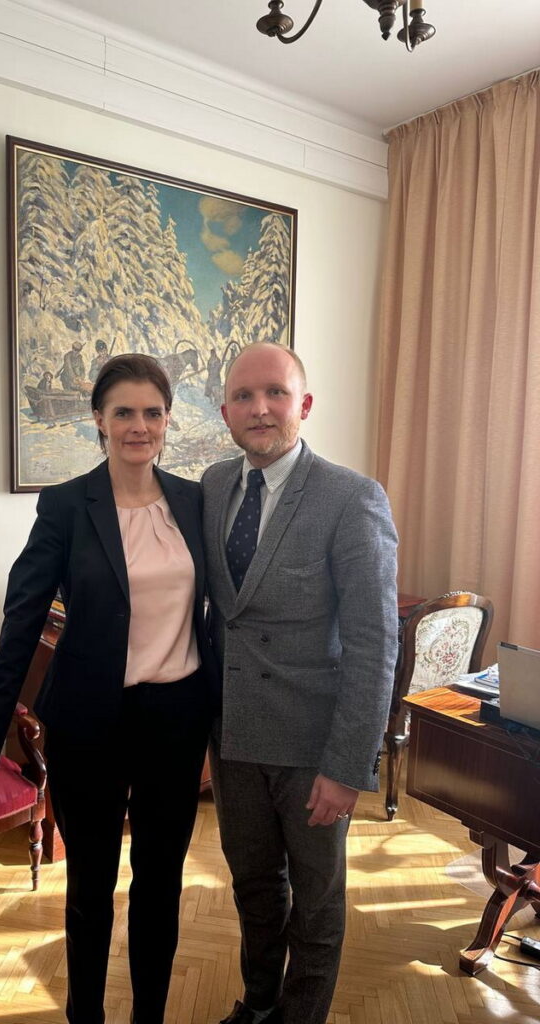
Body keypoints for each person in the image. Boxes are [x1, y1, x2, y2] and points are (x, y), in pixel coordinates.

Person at [0, 353, 218, 1024]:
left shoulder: (194, 501)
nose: (140, 426)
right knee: (91, 888)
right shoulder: (66, 505)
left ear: (168, 420)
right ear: (99, 420)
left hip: (176, 722)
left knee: (161, 885)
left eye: (153, 412)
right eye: (124, 412)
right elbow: (21, 621)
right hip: (91, 725)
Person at [201, 342, 398, 1024]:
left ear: (304, 405)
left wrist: (347, 767)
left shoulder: (352, 498)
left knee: (315, 904)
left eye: (275, 393)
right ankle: (258, 1005)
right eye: (244, 396)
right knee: (255, 889)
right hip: (233, 740)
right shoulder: (213, 487)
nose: (260, 409)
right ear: (225, 411)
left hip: (313, 750)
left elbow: (375, 643)